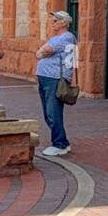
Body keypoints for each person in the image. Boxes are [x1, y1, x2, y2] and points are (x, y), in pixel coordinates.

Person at [35, 10, 77, 157]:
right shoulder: (57, 38)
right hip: (46, 78)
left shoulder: (66, 37)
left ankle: (60, 143)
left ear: (64, 23)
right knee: (48, 112)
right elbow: (40, 52)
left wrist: (41, 52)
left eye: (55, 21)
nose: (52, 23)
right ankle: (60, 142)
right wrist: (41, 52)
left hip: (54, 79)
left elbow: (45, 50)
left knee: (53, 112)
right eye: (52, 21)